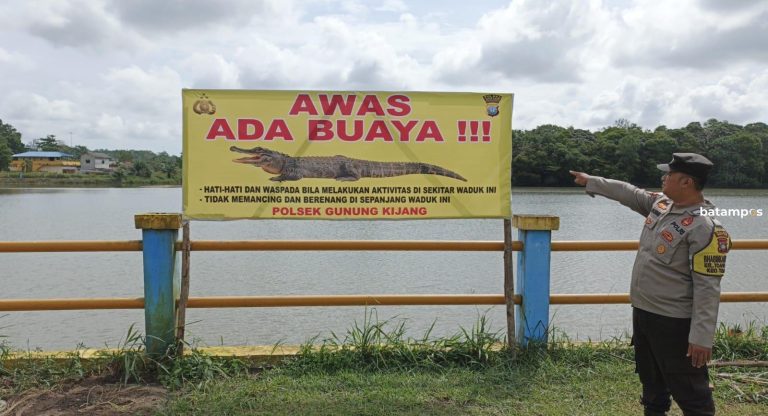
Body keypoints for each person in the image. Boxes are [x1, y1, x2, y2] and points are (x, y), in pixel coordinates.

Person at [570, 153, 731, 416]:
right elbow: (629, 192)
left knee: (693, 396)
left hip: (675, 323)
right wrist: (592, 182)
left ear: (686, 182)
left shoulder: (705, 227)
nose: (663, 177)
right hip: (644, 314)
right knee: (652, 388)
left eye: (669, 174)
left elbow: (708, 288)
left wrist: (701, 337)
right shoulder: (662, 205)